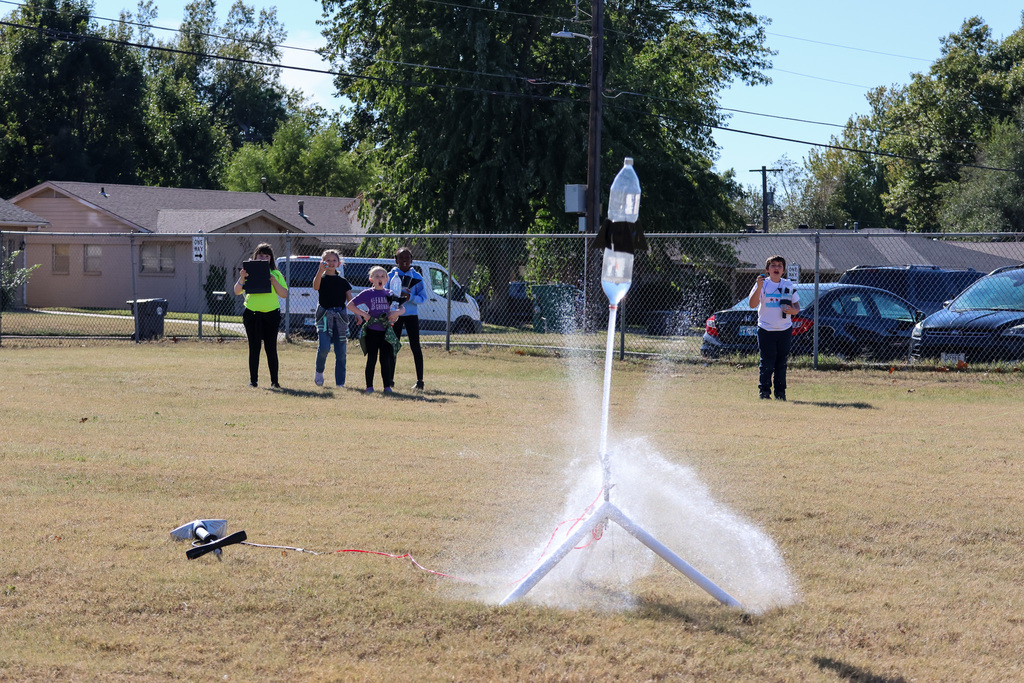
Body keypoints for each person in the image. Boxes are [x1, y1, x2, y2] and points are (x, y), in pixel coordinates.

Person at [234, 243, 289, 388]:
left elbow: (284, 294)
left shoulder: (276, 274)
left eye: (267, 256)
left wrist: (273, 281)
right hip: (252, 314)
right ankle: (253, 381)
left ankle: (274, 382)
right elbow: (237, 291)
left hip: (271, 315)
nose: (264, 258)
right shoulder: (248, 273)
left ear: (271, 258)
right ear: (255, 257)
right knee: (254, 347)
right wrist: (242, 278)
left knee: (271, 348)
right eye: (261, 255)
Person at [748, 255, 800, 401]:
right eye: (773, 265)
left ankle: (780, 393)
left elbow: (796, 307)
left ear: (783, 270)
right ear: (767, 269)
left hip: (784, 329)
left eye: (779, 266)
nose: (776, 268)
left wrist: (792, 311)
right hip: (766, 329)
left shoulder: (788, 285)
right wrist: (758, 287)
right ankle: (764, 392)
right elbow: (752, 304)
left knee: (781, 362)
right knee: (767, 361)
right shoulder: (762, 284)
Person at [347, 266, 405, 394]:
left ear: (386, 279)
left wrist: (396, 313)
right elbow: (350, 305)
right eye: (377, 276)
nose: (380, 278)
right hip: (372, 331)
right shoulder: (368, 293)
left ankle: (387, 387)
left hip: (386, 332)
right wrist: (364, 314)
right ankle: (369, 387)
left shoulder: (390, 293)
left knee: (385, 360)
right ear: (371, 279)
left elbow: (402, 308)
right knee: (372, 359)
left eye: (382, 276)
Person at [388, 247, 429, 390]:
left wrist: (410, 297)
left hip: (411, 315)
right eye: (401, 258)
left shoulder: (417, 277)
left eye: (407, 258)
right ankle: (390, 380)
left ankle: (420, 381)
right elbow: (384, 294)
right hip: (395, 315)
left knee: (415, 346)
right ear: (396, 260)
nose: (404, 260)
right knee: (393, 346)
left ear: (412, 259)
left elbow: (423, 298)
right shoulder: (390, 276)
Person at [313, 249, 353, 388]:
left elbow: (350, 301)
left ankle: (340, 383)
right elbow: (315, 286)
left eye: (334, 260)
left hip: (340, 318)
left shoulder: (343, 282)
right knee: (324, 347)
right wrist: (319, 271)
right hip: (324, 316)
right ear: (322, 262)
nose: (331, 263)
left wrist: (359, 314)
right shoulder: (321, 278)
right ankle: (319, 372)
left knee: (341, 352)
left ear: (339, 263)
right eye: (327, 260)